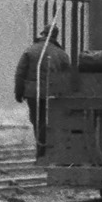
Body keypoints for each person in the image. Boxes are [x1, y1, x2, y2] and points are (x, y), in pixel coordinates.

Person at [13, 27, 69, 156]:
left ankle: (41, 150)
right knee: (49, 121)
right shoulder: (61, 54)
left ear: (43, 34)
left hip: (33, 93)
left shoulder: (30, 50)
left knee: (37, 120)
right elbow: (67, 76)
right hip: (53, 94)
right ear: (56, 36)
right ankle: (48, 150)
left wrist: (19, 93)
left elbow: (20, 73)